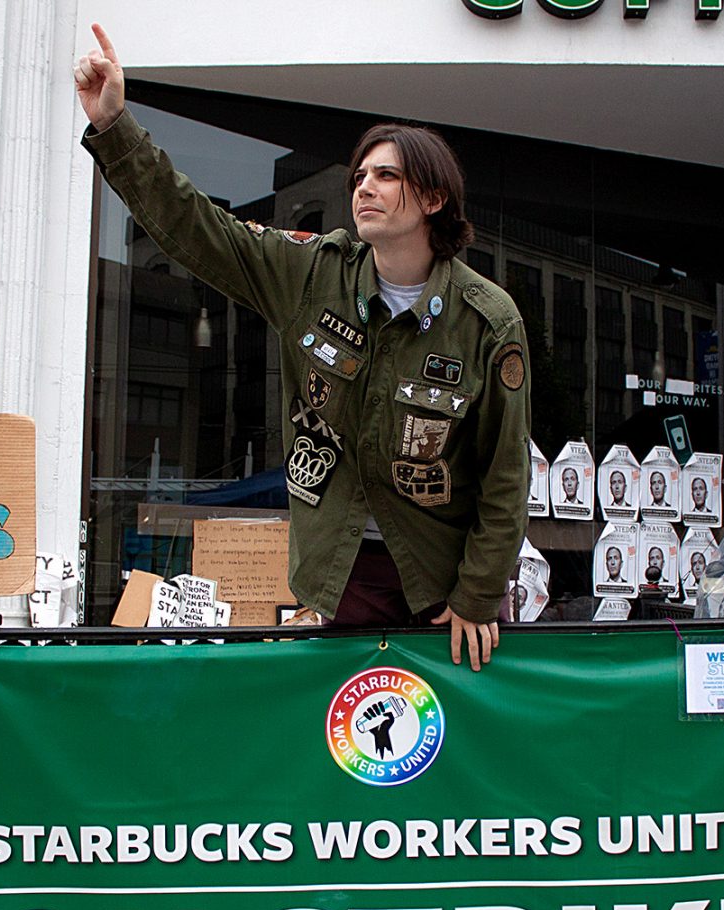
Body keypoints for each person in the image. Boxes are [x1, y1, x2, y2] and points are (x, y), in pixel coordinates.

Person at [75, 24, 530, 671]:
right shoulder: (312, 273)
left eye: (386, 175)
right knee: (348, 749)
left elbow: (505, 476)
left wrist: (479, 596)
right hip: (342, 576)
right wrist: (116, 127)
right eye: (359, 175)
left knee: (452, 755)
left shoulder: (488, 321)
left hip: (449, 584)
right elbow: (201, 231)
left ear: (432, 198)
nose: (363, 187)